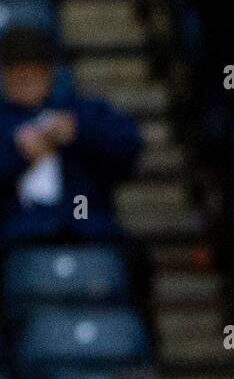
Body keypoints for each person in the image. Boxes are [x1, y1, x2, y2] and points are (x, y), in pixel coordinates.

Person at [0, 25, 142, 244]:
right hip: (16, 228)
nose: (26, 82)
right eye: (18, 76)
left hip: (81, 213)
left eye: (33, 74)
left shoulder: (82, 111)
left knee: (122, 252)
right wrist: (16, 153)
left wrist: (79, 133)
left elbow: (128, 146)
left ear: (50, 73)